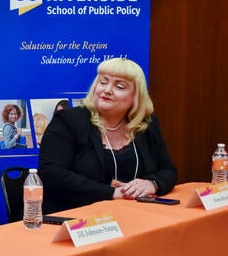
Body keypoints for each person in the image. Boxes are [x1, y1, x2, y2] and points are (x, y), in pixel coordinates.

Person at [38, 57, 178, 214]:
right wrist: (112, 193)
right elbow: (51, 174)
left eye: (119, 86)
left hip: (134, 214)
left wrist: (153, 184)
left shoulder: (146, 125)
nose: (107, 90)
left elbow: (168, 170)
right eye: (103, 82)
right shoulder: (69, 120)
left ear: (135, 96)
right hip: (76, 217)